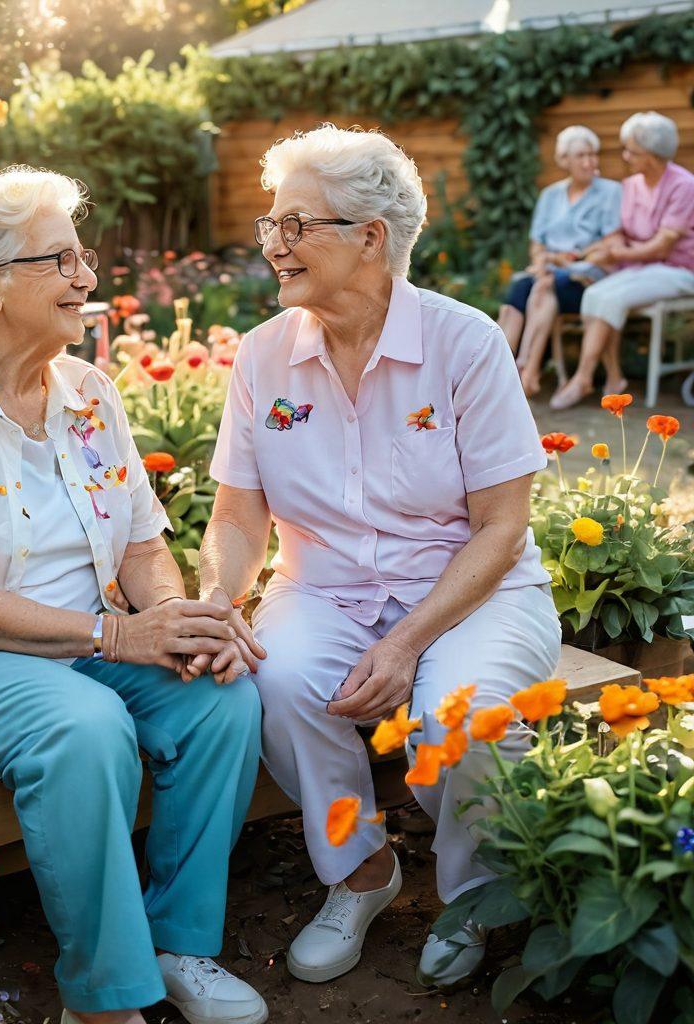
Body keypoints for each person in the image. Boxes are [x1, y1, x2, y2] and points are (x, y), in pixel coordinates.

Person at [0, 166, 268, 1024]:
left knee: (222, 697)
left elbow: (144, 545)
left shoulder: (89, 393)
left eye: (84, 256)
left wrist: (176, 622)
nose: (87, 276)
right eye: (62, 261)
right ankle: (101, 999)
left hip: (75, 649)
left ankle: (178, 946)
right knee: (83, 726)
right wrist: (117, 637)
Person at [195, 125, 561, 988]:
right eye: (270, 226)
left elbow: (502, 526)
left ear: (371, 237)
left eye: (297, 226)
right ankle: (360, 873)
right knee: (279, 682)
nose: (275, 246)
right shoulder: (263, 356)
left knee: (458, 716)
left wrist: (405, 644)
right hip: (322, 587)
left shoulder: (463, 343)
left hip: (470, 588)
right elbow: (238, 513)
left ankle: (472, 894)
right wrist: (219, 594)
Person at [550, 111, 694, 409]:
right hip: (639, 268)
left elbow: (661, 248)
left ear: (651, 156)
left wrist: (615, 253)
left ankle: (584, 377)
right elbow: (617, 232)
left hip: (677, 271)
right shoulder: (631, 186)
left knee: (611, 299)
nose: (625, 156)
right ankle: (613, 379)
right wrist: (596, 250)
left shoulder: (684, 186)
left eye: (631, 150)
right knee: (594, 294)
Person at [497, 125, 621, 396]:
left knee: (544, 285)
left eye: (593, 155)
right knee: (519, 288)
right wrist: (541, 260)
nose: (589, 162)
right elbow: (537, 242)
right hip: (550, 271)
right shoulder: (550, 195)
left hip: (585, 275)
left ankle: (527, 370)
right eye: (581, 156)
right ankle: (497, 369)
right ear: (564, 160)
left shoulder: (611, 192)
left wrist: (574, 256)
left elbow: (612, 241)